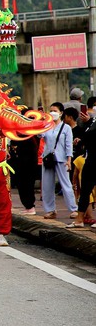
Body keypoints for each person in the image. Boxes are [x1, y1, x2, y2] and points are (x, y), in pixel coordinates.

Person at [40, 102, 76, 220]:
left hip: (62, 159)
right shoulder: (47, 126)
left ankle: (73, 209)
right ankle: (50, 210)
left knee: (66, 184)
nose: (52, 113)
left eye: (55, 111)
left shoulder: (66, 128)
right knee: (47, 185)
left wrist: (69, 159)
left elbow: (68, 145)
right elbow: (39, 135)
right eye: (51, 111)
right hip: (48, 158)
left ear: (61, 113)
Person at [68, 97, 96, 228]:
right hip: (89, 159)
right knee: (85, 190)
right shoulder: (93, 121)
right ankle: (79, 219)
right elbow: (89, 134)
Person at [9, 109, 40, 215]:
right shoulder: (21, 130)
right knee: (23, 184)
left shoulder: (32, 131)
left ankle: (30, 206)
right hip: (22, 161)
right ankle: (28, 206)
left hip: (28, 162)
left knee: (27, 184)